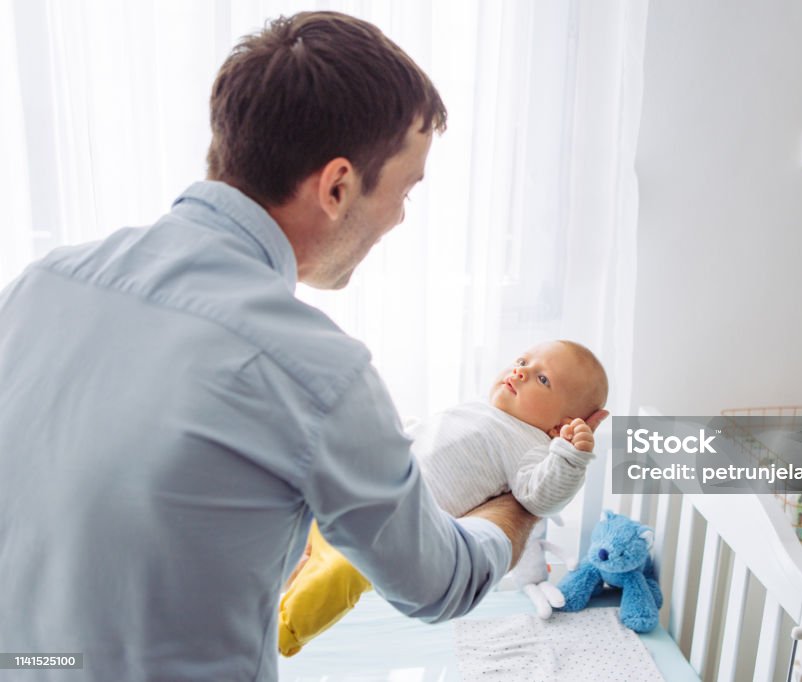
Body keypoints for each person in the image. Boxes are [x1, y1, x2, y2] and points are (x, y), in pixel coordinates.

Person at [0, 12, 603, 681]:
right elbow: (439, 585)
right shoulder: (315, 371)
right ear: (338, 186)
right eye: (405, 190)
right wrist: (520, 504)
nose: (401, 217)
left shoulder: (40, 285)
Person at [278, 340, 610, 655]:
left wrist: (568, 455)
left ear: (559, 426)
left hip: (391, 529)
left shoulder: (531, 446)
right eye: (523, 361)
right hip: (360, 492)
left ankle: (284, 628)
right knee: (294, 529)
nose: (520, 371)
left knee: (341, 572)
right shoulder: (482, 408)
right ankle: (270, 584)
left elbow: (542, 500)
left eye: (542, 379)